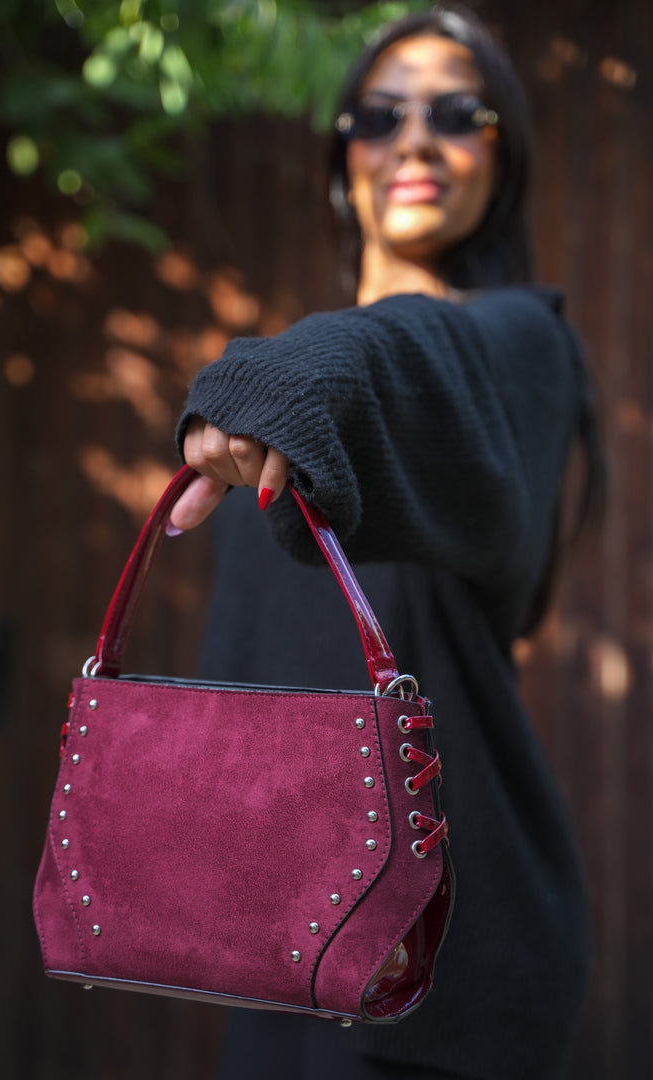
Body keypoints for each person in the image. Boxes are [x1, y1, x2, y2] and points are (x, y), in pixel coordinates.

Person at [168, 5, 604, 1078]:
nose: (415, 139)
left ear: (503, 161)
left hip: (439, 973)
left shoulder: (518, 349)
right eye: (380, 114)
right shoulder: (279, 400)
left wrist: (286, 380)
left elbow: (411, 352)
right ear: (342, 158)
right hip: (271, 946)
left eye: (461, 113)